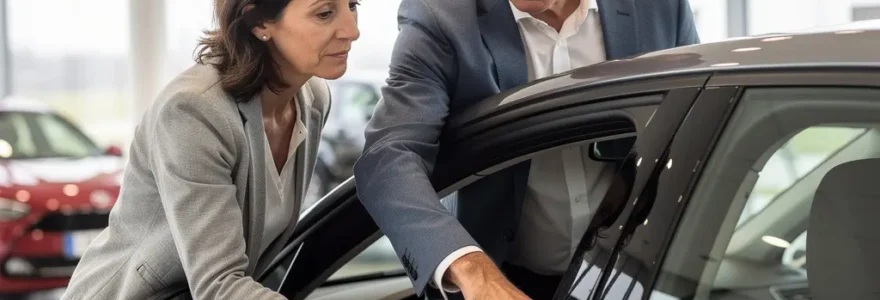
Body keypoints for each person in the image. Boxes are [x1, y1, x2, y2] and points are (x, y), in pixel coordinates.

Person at [353, 0, 699, 299]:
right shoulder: (443, 15)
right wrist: (472, 270)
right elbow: (388, 158)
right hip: (503, 277)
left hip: (644, 276)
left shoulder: (659, 7)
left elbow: (699, 124)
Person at [62, 0, 359, 299]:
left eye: (353, 5)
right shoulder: (193, 111)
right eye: (324, 13)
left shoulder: (313, 99)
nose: (352, 30)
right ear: (259, 22)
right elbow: (218, 285)